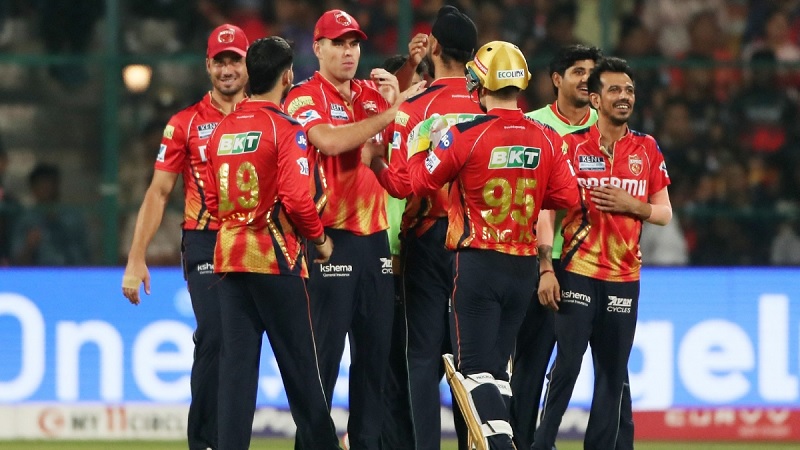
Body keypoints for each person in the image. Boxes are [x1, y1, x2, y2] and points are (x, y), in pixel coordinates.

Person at [407, 41, 579, 450]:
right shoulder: (548, 138)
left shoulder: (464, 134)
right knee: (498, 373)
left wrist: (419, 145)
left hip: (477, 266)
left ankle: (503, 446)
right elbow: (568, 197)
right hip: (522, 268)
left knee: (474, 373)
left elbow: (419, 183)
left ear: (479, 84)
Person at [282, 9, 415, 449]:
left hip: (375, 241)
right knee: (322, 365)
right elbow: (329, 141)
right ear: (317, 48)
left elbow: (391, 155)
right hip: (330, 242)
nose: (348, 51)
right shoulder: (303, 96)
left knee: (374, 364)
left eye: (354, 43)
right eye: (338, 43)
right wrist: (392, 111)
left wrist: (396, 107)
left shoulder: (372, 95)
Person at [202, 35, 340, 450]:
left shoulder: (221, 130)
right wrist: (320, 240)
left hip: (230, 261)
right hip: (275, 262)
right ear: (287, 77)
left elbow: (213, 201)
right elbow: (297, 198)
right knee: (303, 376)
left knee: (236, 377)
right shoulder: (286, 128)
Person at [533, 57, 673, 450]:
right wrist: (545, 266)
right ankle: (542, 444)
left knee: (613, 374)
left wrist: (634, 206)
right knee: (567, 365)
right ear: (595, 99)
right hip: (577, 270)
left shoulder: (646, 148)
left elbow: (664, 213)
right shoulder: (571, 146)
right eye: (614, 90)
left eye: (629, 90)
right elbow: (546, 209)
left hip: (624, 278)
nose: (624, 96)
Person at [120, 24, 249, 450]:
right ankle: (205, 442)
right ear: (208, 65)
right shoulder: (185, 124)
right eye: (220, 61)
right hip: (205, 240)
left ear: (248, 65)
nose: (227, 70)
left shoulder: (267, 116)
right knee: (215, 335)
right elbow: (158, 192)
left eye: (235, 60)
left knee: (244, 346)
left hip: (256, 241)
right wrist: (136, 257)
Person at [364, 6, 481, 450]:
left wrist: (375, 160)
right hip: (478, 242)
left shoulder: (415, 106)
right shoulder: (486, 104)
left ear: (433, 46)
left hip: (428, 238)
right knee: (473, 359)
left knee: (422, 355)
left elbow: (399, 184)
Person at [511, 43, 602, 450]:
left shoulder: (608, 127)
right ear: (556, 79)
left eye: (592, 72)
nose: (586, 79)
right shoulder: (531, 125)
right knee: (530, 365)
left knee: (608, 368)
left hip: (595, 264)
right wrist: (542, 264)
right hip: (539, 260)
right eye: (578, 71)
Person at [11, 163, 89, 265]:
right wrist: (29, 246)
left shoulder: (73, 217)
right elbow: (17, 261)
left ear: (57, 186)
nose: (46, 189)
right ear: (33, 188)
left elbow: (86, 254)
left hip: (72, 272)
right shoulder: (26, 220)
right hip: (38, 273)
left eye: (49, 184)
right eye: (41, 185)